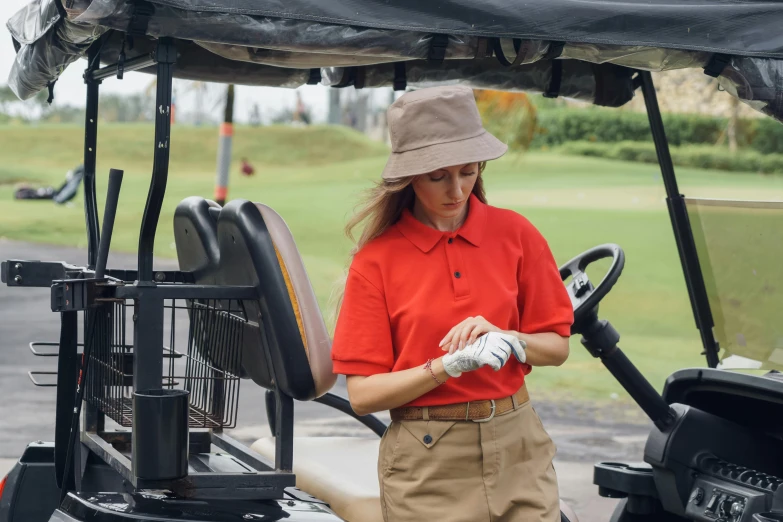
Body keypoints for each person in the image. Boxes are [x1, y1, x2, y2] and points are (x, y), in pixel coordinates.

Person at [330, 85, 574, 522]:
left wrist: (510, 338)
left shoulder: (517, 234)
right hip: (428, 462)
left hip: (519, 447)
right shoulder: (376, 261)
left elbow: (556, 345)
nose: (458, 189)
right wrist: (449, 365)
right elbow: (363, 395)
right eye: (438, 176)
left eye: (468, 171)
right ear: (409, 178)